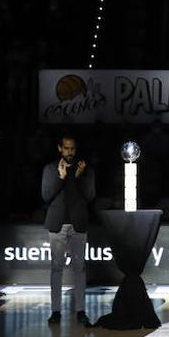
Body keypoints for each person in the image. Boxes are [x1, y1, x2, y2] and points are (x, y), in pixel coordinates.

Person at [41, 135, 96, 326]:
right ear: (59, 148)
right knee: (56, 268)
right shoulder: (50, 169)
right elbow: (46, 195)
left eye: (72, 148)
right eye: (66, 148)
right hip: (57, 224)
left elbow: (90, 196)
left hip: (78, 224)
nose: (70, 152)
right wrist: (60, 178)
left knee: (79, 268)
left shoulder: (85, 169)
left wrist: (79, 178)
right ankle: (55, 311)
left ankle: (81, 310)